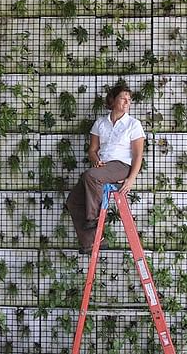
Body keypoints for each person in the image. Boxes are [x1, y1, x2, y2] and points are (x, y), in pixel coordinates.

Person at [65, 84, 145, 255]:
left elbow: (138, 155)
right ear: (113, 100)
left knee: (90, 175)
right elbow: (92, 150)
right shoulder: (100, 123)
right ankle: (92, 241)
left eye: (129, 100)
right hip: (103, 167)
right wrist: (95, 160)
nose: (127, 102)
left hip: (121, 166)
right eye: (123, 98)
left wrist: (131, 179)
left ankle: (93, 219)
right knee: (72, 201)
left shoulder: (133, 124)